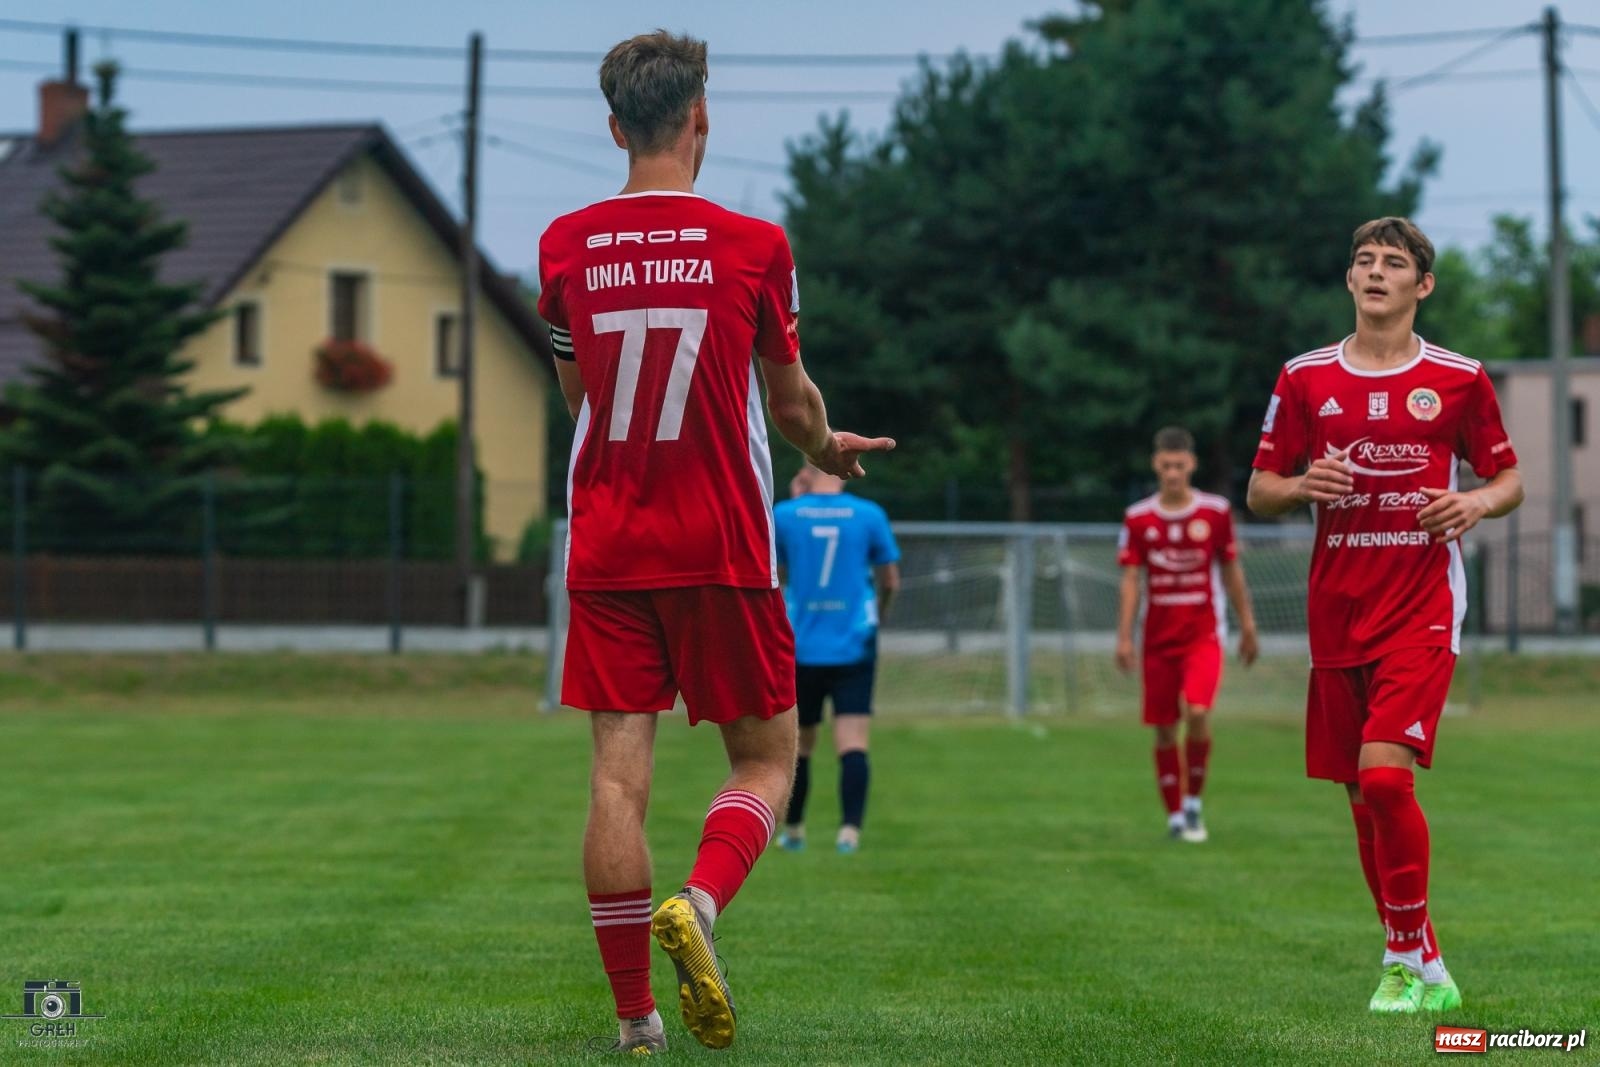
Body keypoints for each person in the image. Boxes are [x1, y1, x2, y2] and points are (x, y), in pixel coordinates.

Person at [536, 30, 894, 1054]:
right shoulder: (754, 246)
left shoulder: (564, 243)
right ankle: (698, 899)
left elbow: (578, 397)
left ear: (614, 127)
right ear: (701, 119)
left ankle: (633, 1019)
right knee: (767, 756)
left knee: (615, 777)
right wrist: (830, 440)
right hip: (722, 540)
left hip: (608, 538)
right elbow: (788, 405)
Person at [1247, 217, 1522, 1014]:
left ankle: (1400, 955)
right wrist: (1303, 485)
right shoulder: (1303, 378)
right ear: (1349, 280)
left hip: (1422, 607)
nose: (1375, 271)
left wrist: (1473, 499)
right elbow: (1262, 488)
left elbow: (1509, 480)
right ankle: (1424, 961)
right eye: (1364, 260)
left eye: (1393, 263)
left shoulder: (1461, 377)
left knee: (1382, 776)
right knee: (1361, 797)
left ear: (1421, 286)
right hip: (1337, 610)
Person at [1116, 427, 1259, 843]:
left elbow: (1231, 570)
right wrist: (1124, 637)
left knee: (1197, 711)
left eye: (1180, 465)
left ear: (1191, 465)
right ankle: (1176, 815)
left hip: (1203, 635)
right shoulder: (1138, 518)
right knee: (1164, 728)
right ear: (1156, 465)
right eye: (1166, 465)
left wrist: (1247, 624)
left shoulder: (1214, 512)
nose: (1173, 473)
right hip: (1157, 639)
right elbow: (1130, 579)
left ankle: (1194, 802)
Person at [772, 464, 901, 854]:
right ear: (844, 470)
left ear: (806, 471)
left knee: (801, 745)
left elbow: (775, 577)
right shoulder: (869, 515)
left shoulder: (784, 515)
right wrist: (880, 613)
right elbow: (891, 580)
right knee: (853, 743)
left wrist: (796, 503)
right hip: (854, 643)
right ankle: (849, 833)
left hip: (802, 645)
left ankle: (794, 830)